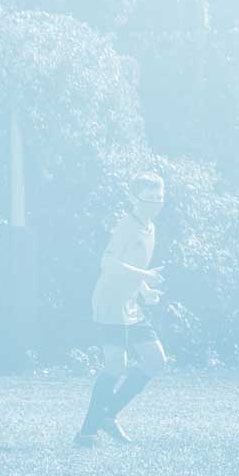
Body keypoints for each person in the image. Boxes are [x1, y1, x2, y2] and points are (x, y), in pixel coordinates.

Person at [74, 172, 169, 447]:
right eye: (148, 200)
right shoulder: (126, 226)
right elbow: (109, 264)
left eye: (159, 198)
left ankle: (108, 416)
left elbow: (131, 270)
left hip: (130, 305)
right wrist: (145, 275)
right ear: (133, 199)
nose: (155, 204)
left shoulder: (150, 226)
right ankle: (87, 434)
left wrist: (145, 290)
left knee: (155, 361)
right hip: (110, 303)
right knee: (116, 366)